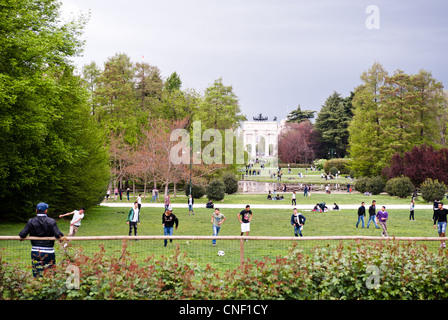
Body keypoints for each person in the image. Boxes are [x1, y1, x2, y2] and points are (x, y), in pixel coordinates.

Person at [19, 202, 64, 277]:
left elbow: (22, 234)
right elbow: (57, 234)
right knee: (50, 272)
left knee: (37, 272)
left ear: (36, 210)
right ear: (46, 210)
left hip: (35, 251)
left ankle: (37, 287)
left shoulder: (31, 221)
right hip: (49, 251)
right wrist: (61, 235)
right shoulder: (51, 221)